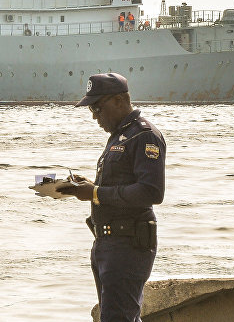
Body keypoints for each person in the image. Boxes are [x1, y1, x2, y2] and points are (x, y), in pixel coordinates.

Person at [58, 72, 166, 322]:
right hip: (107, 242)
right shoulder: (120, 136)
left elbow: (151, 192)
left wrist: (95, 193)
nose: (95, 116)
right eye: (91, 110)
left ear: (120, 100)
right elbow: (122, 186)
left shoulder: (144, 135)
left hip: (128, 243)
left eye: (97, 108)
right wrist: (89, 187)